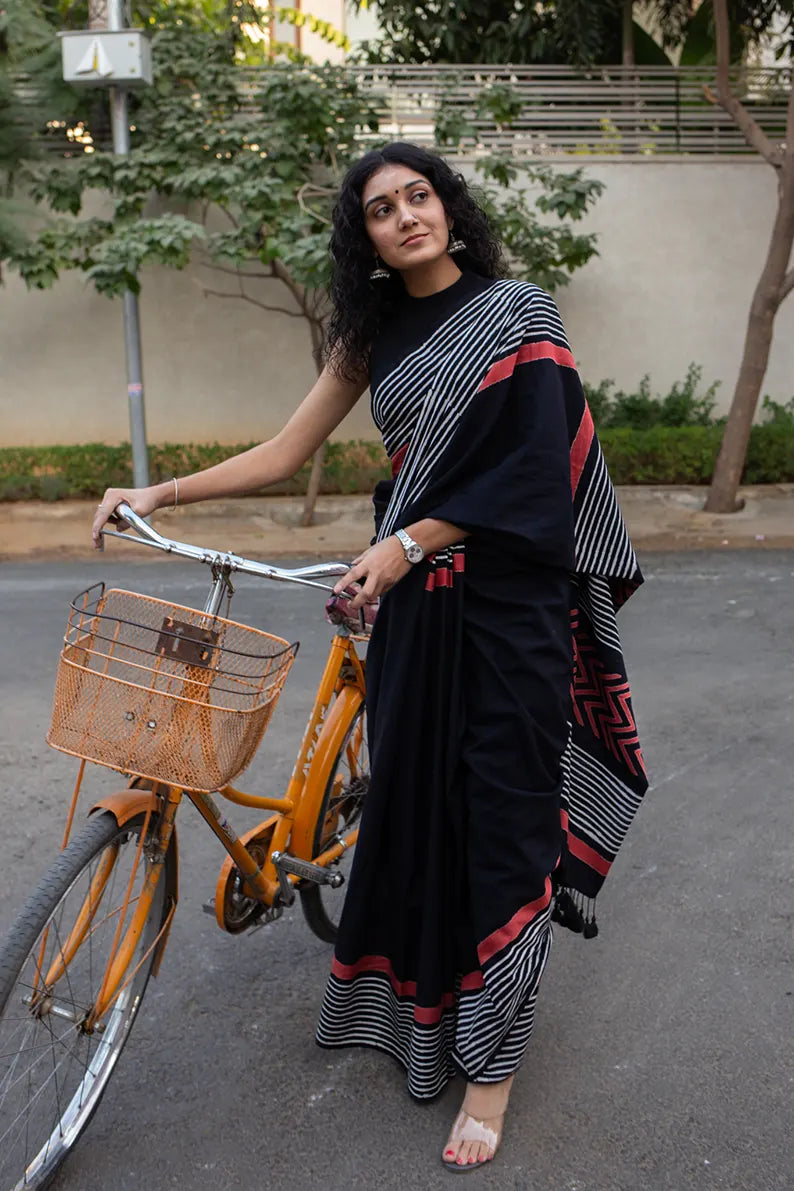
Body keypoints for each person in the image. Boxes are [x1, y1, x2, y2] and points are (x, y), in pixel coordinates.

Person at [92, 142, 648, 1173]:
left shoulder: (518, 314)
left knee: (501, 824)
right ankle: (439, 1015)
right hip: (413, 617)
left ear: (447, 209)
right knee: (419, 815)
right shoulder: (369, 336)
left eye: (417, 197)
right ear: (367, 240)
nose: (403, 217)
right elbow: (282, 452)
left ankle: (492, 1075)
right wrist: (156, 493)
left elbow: (535, 472)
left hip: (505, 609)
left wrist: (405, 542)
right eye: (380, 210)